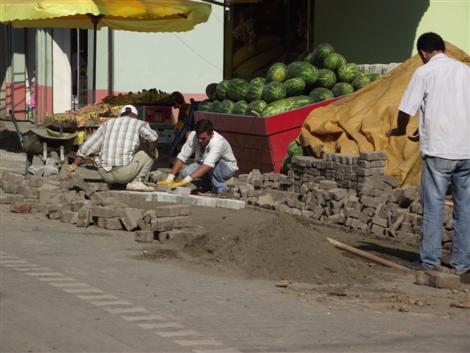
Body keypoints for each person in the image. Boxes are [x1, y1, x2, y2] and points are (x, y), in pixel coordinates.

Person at [387, 32, 470, 275]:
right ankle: (462, 264)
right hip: (466, 151)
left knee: (433, 207)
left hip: (439, 152)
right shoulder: (466, 71)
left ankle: (430, 262)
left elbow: (406, 108)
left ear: (423, 53)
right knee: (464, 209)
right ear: (443, 48)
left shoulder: (424, 72)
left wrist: (401, 128)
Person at [68, 104, 158, 192]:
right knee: (149, 152)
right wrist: (151, 150)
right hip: (123, 175)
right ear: (135, 115)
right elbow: (153, 137)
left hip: (105, 175)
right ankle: (136, 182)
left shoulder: (107, 124)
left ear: (121, 114)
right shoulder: (139, 123)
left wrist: (74, 166)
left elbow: (87, 146)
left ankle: (116, 182)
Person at [159, 119, 238, 195]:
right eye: (198, 137)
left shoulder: (218, 142)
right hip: (204, 163)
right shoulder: (193, 136)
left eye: (203, 138)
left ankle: (221, 188)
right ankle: (208, 185)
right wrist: (170, 178)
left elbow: (208, 165)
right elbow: (182, 156)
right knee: (185, 173)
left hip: (226, 168)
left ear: (211, 135)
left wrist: (187, 180)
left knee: (213, 163)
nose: (200, 141)